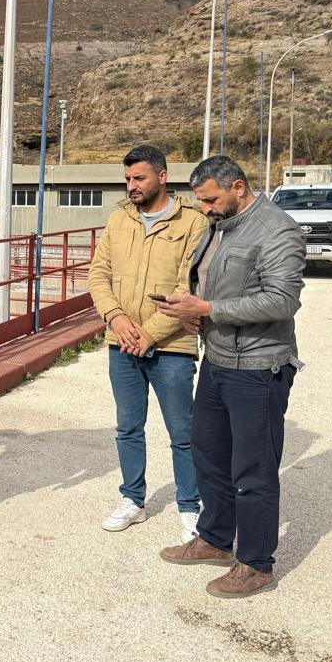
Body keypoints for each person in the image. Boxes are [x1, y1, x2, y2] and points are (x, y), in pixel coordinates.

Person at [154, 155, 305, 598]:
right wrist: (193, 312)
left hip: (259, 367)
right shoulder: (218, 225)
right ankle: (216, 539)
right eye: (200, 202)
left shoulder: (277, 230)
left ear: (238, 187)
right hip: (218, 359)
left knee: (253, 470)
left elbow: (282, 300)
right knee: (209, 453)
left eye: (210, 200)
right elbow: (211, 284)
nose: (204, 209)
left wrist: (208, 309)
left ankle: (256, 564)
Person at [87, 145, 208, 541]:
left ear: (162, 176)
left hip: (172, 345)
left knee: (183, 432)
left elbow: (189, 286)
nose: (132, 186)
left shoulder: (192, 222)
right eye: (127, 179)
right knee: (127, 427)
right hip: (121, 341)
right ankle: (133, 499)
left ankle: (190, 506)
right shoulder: (118, 219)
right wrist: (116, 318)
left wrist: (150, 334)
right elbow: (98, 274)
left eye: (139, 178)